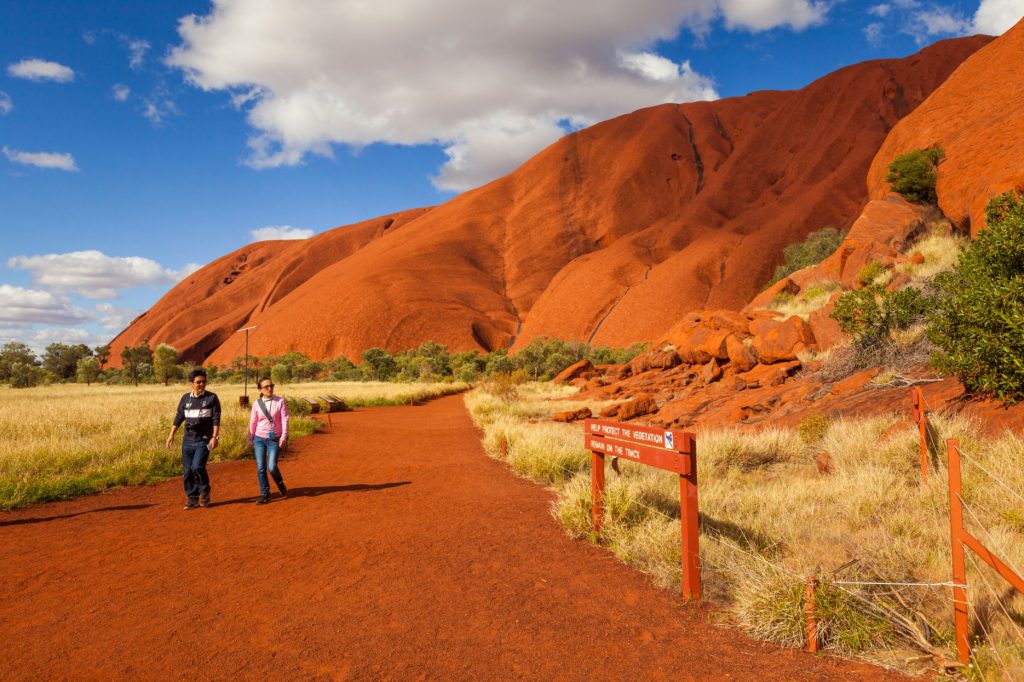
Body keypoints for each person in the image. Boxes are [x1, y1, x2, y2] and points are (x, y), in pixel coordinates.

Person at [165, 368, 221, 509]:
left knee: (197, 466)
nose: (201, 384)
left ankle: (205, 492)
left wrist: (214, 437)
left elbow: (216, 419)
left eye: (204, 382)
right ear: (191, 383)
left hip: (204, 439)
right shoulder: (185, 398)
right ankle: (192, 498)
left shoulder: (211, 398)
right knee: (188, 470)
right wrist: (171, 434)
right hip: (188, 440)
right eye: (198, 382)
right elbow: (179, 417)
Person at [248, 377, 289, 504]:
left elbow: (285, 419)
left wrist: (283, 437)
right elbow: (253, 421)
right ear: (260, 389)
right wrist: (251, 438)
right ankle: (265, 495)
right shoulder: (256, 404)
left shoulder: (280, 401)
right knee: (261, 468)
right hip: (259, 438)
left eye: (271, 385)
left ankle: (280, 483)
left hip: (274, 439)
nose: (270, 388)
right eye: (266, 387)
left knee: (271, 467)